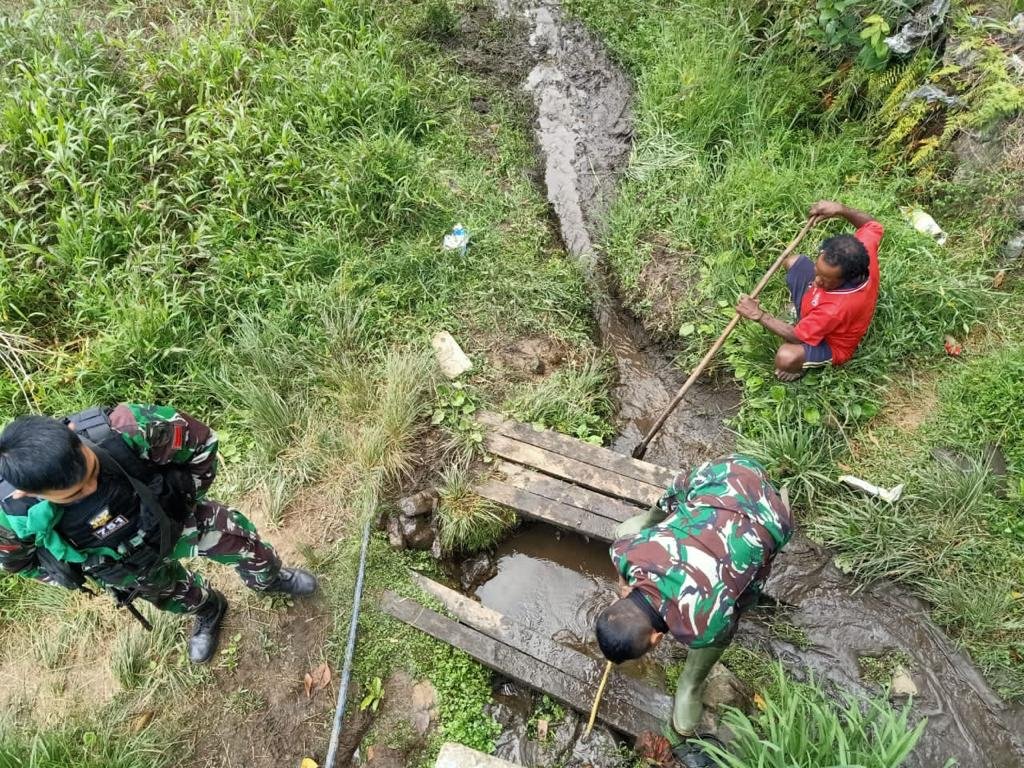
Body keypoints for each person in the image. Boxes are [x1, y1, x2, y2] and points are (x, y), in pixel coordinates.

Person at [0, 404, 318, 664]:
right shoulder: (14, 516)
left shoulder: (123, 428)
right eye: (76, 493)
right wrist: (72, 572)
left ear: (71, 435)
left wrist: (185, 500)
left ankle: (270, 579)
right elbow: (21, 564)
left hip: (173, 518)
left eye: (93, 472)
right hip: (123, 564)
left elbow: (201, 445)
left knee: (245, 544)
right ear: (27, 493)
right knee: (170, 595)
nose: (92, 488)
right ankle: (208, 609)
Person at [594, 454, 792, 749]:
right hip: (731, 473)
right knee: (655, 514)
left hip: (769, 517)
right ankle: (653, 523)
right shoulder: (627, 554)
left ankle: (691, 683)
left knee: (741, 597)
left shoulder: (704, 626)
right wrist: (627, 583)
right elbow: (623, 558)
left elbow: (723, 629)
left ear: (657, 637)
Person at [735, 200, 885, 381]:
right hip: (818, 308)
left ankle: (798, 367)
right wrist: (842, 210)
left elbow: (798, 337)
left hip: (831, 342)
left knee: (786, 357)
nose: (816, 280)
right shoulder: (862, 249)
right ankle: (806, 316)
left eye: (825, 280)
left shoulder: (835, 309)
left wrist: (759, 315)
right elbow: (872, 225)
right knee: (794, 262)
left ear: (846, 279)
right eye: (817, 270)